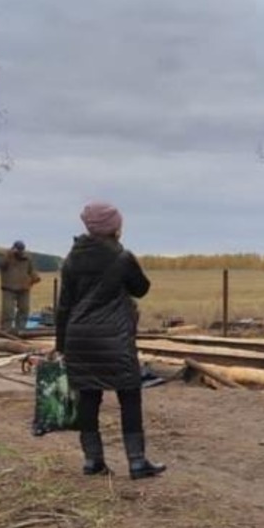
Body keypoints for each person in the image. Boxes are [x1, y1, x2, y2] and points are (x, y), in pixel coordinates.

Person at [55, 201, 165, 480]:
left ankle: (93, 461)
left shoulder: (71, 260)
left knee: (88, 398)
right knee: (129, 395)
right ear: (114, 227)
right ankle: (137, 462)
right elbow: (142, 289)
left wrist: (61, 345)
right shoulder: (122, 258)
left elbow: (64, 306)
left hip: (78, 338)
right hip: (113, 338)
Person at [0, 240, 41, 332]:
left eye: (21, 250)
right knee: (8, 310)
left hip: (24, 287)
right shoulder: (7, 257)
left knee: (24, 309)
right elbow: (2, 265)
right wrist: (9, 255)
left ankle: (20, 329)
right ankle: (6, 329)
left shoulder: (27, 258)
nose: (20, 252)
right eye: (18, 250)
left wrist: (35, 277)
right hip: (8, 287)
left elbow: (31, 270)